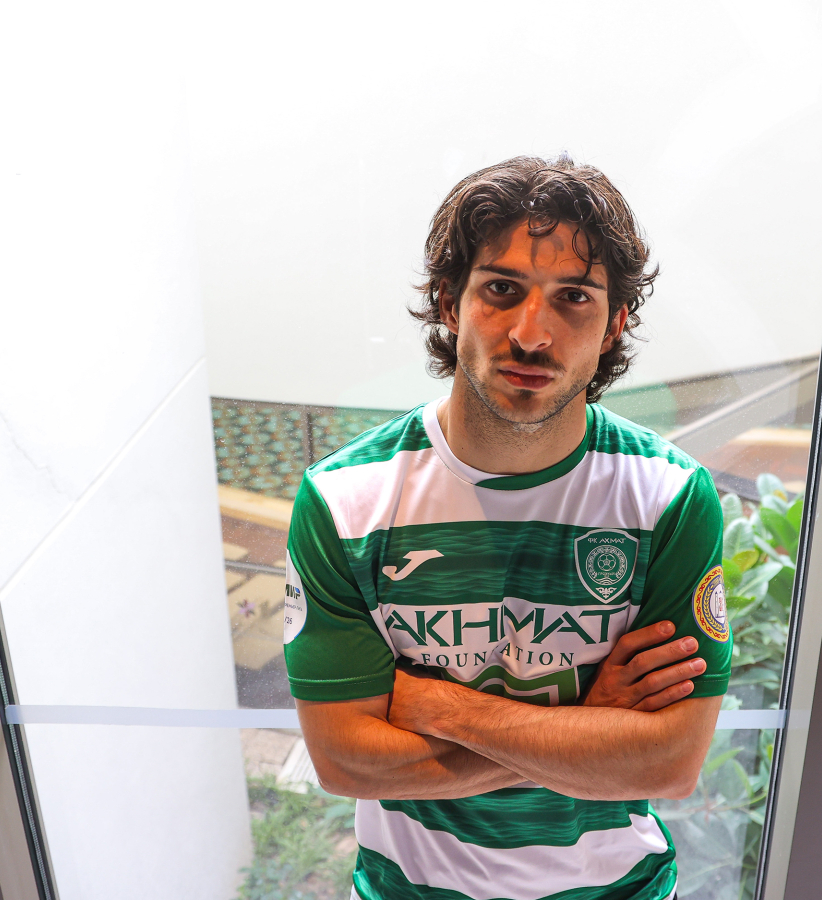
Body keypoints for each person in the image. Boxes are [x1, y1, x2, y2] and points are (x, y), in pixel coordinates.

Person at [283, 154, 732, 900]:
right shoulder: (345, 501)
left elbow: (669, 762)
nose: (532, 334)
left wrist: (438, 705)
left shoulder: (669, 498)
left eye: (574, 298)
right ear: (449, 302)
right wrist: (588, 727)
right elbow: (344, 762)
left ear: (616, 323)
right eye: (501, 289)